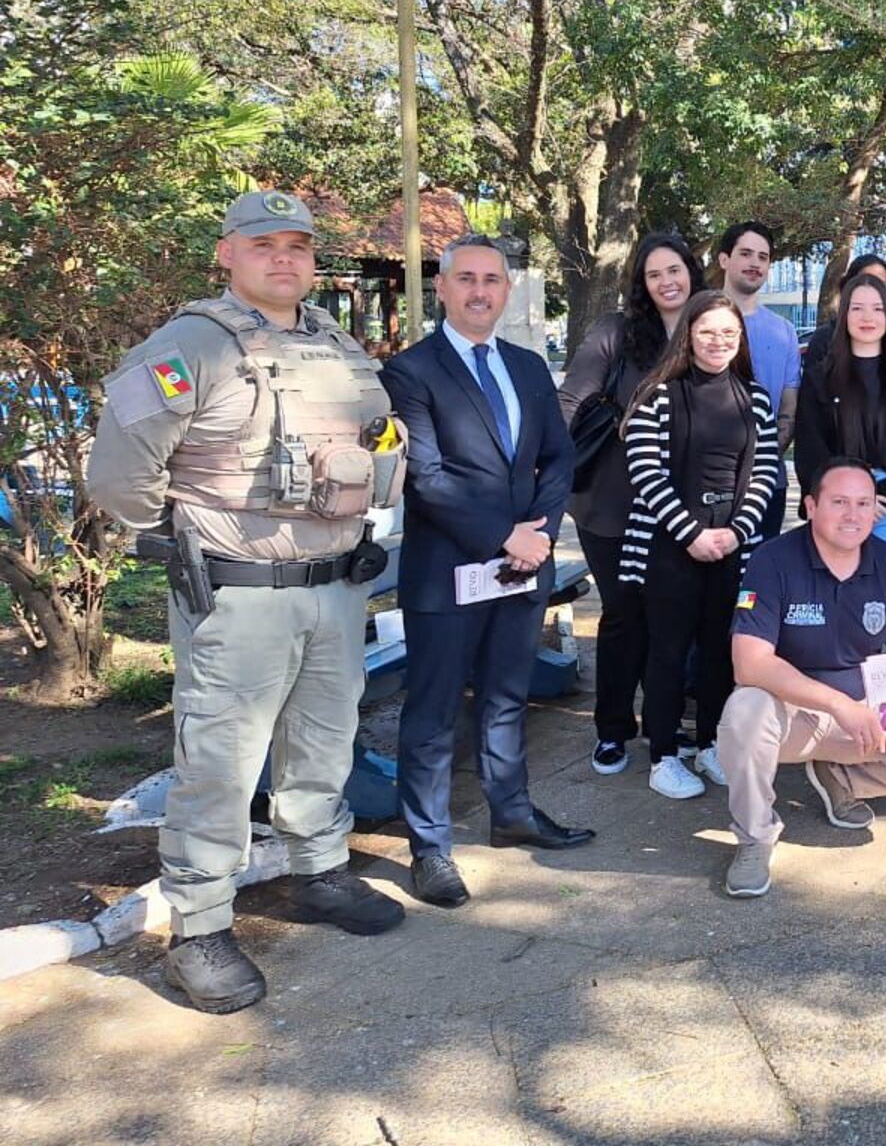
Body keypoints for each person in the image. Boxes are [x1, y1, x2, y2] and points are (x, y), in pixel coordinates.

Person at [88, 189, 406, 1013]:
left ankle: (318, 870)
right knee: (221, 762)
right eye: (264, 245)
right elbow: (119, 475)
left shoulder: (333, 342)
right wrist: (176, 537)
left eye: (297, 246)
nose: (283, 258)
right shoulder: (189, 346)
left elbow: (378, 437)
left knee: (324, 741)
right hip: (237, 597)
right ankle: (198, 928)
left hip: (336, 586)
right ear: (226, 253)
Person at [382, 234, 590, 914]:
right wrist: (504, 536)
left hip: (521, 567)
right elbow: (428, 477)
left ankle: (513, 812)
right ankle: (429, 847)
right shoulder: (411, 371)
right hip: (448, 572)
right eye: (466, 279)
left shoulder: (527, 367)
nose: (479, 291)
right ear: (441, 288)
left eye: (491, 280)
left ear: (507, 290)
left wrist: (538, 534)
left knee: (506, 696)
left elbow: (559, 457)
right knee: (435, 710)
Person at [715, 460, 886, 898]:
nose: (852, 515)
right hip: (792, 713)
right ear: (811, 506)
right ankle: (755, 837)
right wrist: (837, 705)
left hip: (864, 714)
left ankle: (840, 778)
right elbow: (749, 664)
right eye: (839, 502)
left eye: (864, 503)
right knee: (743, 712)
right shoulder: (772, 560)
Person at [621, 290, 783, 798]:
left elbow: (765, 470)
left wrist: (735, 531)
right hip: (672, 545)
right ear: (688, 335)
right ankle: (663, 755)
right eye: (707, 331)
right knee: (667, 652)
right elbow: (644, 469)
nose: (718, 341)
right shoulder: (658, 395)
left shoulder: (754, 397)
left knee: (720, 651)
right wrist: (690, 532)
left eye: (728, 333)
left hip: (732, 543)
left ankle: (711, 742)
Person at [557, 231, 704, 777]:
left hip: (678, 507)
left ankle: (663, 723)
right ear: (641, 283)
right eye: (654, 274)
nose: (667, 282)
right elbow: (571, 399)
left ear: (691, 272)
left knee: (670, 618)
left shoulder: (707, 328)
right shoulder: (615, 332)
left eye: (675, 270)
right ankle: (613, 727)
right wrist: (543, 475)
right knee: (624, 614)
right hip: (611, 501)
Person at [792, 274, 886, 563]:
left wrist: (874, 500)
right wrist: (850, 500)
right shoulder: (821, 378)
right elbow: (809, 449)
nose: (867, 317)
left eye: (877, 308)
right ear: (844, 314)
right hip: (836, 503)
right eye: (857, 308)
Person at [718, 221, 803, 534]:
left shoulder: (785, 332)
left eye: (763, 257)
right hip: (704, 486)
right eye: (745, 254)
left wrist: (759, 466)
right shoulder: (695, 320)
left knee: (759, 567)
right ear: (724, 259)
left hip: (767, 485)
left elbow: (788, 411)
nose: (755, 263)